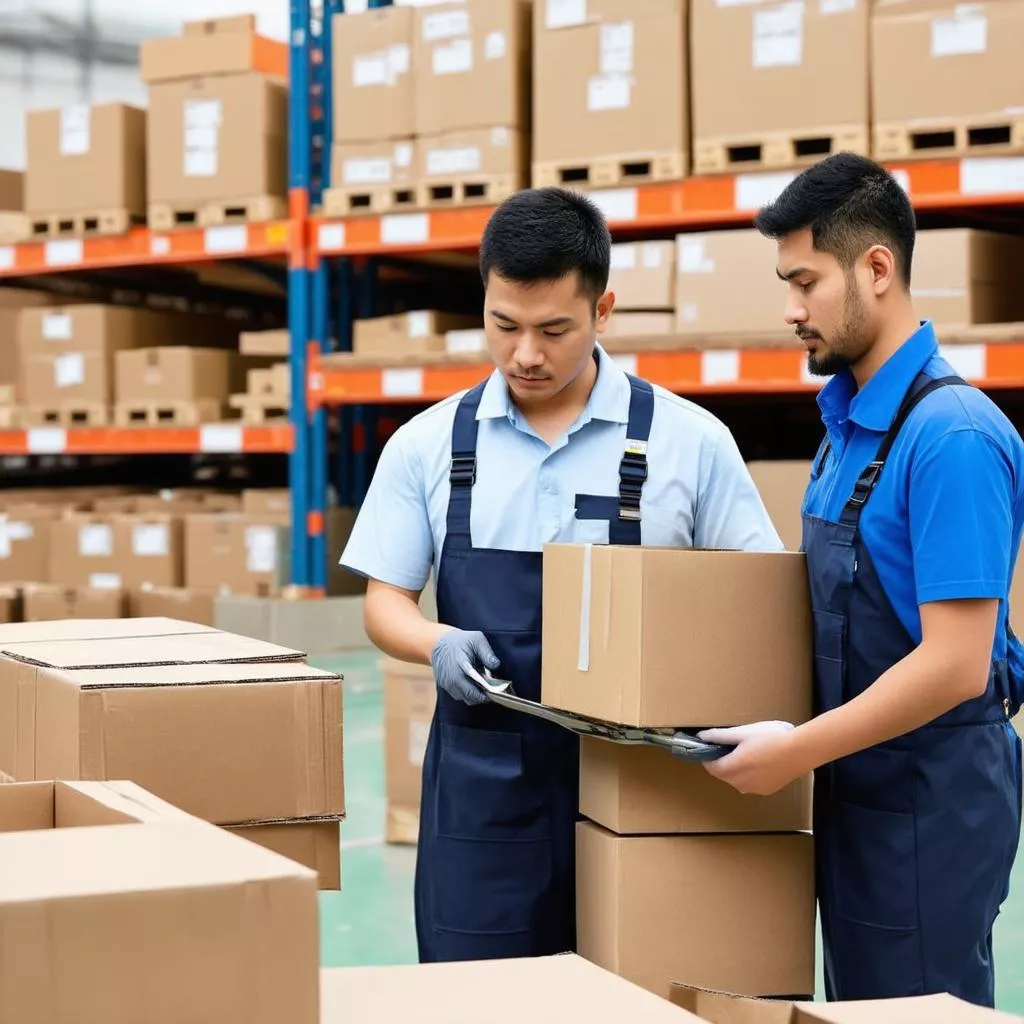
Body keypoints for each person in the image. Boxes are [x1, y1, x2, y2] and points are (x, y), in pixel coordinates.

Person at [339, 186, 783, 964]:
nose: (525, 355)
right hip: (484, 796)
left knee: (641, 997)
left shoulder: (690, 443)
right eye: (503, 326)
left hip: (645, 785)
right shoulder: (426, 445)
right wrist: (436, 640)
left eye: (554, 329)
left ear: (603, 310)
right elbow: (385, 604)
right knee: (481, 1002)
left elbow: (754, 606)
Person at [699, 153, 1024, 1007]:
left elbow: (958, 661)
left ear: (876, 269)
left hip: (928, 811)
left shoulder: (951, 436)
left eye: (805, 281)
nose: (789, 309)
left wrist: (794, 753)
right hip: (857, 791)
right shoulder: (845, 426)